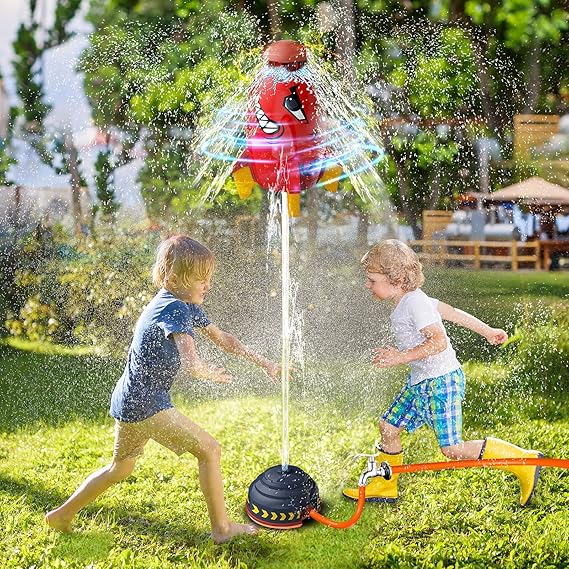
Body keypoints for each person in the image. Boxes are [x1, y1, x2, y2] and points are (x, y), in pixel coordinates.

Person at [46, 235, 280, 543]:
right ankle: (222, 529)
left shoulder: (181, 304)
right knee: (210, 450)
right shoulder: (175, 309)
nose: (206, 285)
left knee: (120, 468)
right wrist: (201, 371)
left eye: (208, 279)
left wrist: (263, 362)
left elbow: (223, 338)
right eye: (200, 279)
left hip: (130, 398)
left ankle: (61, 514)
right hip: (146, 403)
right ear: (176, 277)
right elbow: (189, 356)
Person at [343, 239, 543, 507]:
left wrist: (401, 356)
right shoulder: (411, 300)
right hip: (420, 382)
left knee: (453, 449)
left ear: (398, 279)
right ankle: (385, 486)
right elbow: (452, 312)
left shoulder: (414, 303)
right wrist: (487, 330)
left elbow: (438, 342)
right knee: (388, 426)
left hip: (441, 381)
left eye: (372, 279)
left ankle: (525, 461)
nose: (368, 285)